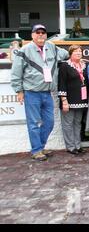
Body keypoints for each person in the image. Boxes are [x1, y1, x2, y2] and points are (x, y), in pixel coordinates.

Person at [11, 24, 69, 161]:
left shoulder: (52, 47)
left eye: (43, 32)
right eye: (38, 32)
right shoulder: (25, 50)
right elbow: (16, 72)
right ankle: (36, 150)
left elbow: (65, 54)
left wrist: (58, 59)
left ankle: (40, 146)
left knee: (49, 122)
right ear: (32, 35)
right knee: (34, 123)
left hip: (47, 92)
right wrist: (19, 90)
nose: (41, 35)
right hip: (32, 92)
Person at [58, 45, 89, 155]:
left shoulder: (85, 65)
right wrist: (64, 101)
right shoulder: (65, 66)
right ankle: (70, 147)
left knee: (77, 123)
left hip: (81, 100)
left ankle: (77, 145)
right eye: (75, 51)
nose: (78, 53)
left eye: (80, 51)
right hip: (69, 100)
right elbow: (61, 84)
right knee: (68, 124)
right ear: (70, 53)